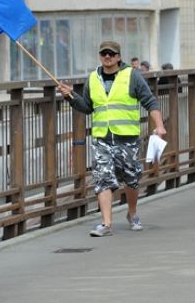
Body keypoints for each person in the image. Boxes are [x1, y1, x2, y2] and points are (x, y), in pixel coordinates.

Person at [57, 41, 166, 237]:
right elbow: (87, 107)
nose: (107, 57)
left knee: (131, 179)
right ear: (100, 56)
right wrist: (70, 96)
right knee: (102, 178)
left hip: (127, 138)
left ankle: (132, 213)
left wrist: (159, 125)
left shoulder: (132, 76)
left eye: (111, 54)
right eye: (103, 54)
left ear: (118, 57)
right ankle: (106, 223)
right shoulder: (92, 78)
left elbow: (150, 101)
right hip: (102, 138)